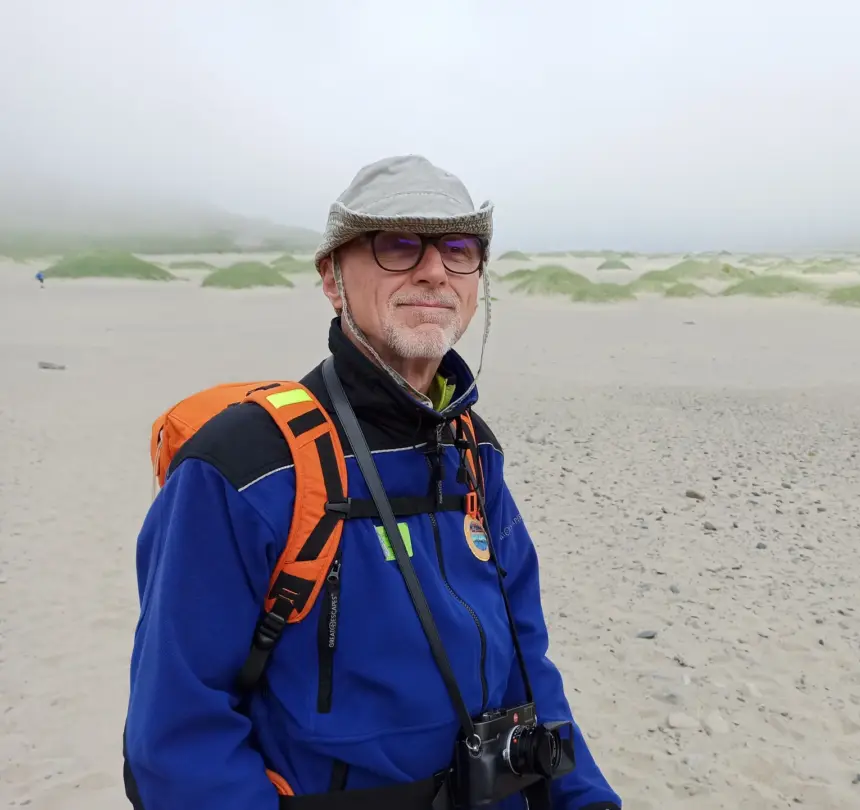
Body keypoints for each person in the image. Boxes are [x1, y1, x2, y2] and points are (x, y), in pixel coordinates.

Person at [122, 155, 622, 810]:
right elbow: (178, 738)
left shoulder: (473, 451)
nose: (434, 269)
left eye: (458, 247)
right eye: (397, 244)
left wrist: (583, 798)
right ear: (332, 278)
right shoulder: (245, 469)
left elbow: (526, 663)